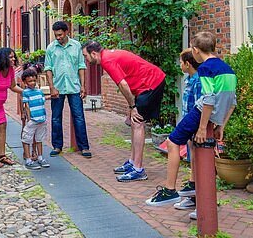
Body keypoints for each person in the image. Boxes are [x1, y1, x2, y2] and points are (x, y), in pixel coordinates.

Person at [145, 31, 237, 214]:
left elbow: (209, 98)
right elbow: (232, 102)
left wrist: (203, 127)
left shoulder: (205, 68)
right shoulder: (228, 69)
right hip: (216, 116)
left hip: (201, 112)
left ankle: (169, 189)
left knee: (172, 142)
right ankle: (194, 185)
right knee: (194, 148)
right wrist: (221, 126)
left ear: (195, 50)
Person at [82, 41, 166, 181]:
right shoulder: (108, 56)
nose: (86, 60)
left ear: (94, 54)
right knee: (134, 123)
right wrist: (130, 107)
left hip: (151, 83)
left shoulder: (107, 60)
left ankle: (138, 169)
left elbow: (123, 84)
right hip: (145, 84)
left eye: (86, 56)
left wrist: (133, 106)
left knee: (138, 122)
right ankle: (132, 163)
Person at [45, 22, 92, 158]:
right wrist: (52, 87)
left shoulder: (76, 46)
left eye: (60, 34)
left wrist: (83, 86)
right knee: (55, 118)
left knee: (79, 117)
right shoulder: (51, 48)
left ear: (66, 32)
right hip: (58, 88)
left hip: (74, 86)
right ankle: (57, 146)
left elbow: (81, 66)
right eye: (56, 35)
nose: (58, 37)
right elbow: (48, 69)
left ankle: (84, 147)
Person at [173, 48, 202, 214]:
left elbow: (200, 106)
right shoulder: (190, 79)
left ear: (188, 64)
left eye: (181, 62)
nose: (180, 65)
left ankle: (203, 203)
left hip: (196, 128)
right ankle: (193, 198)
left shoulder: (198, 82)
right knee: (193, 162)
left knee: (199, 164)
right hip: (189, 128)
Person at [20, 67, 50, 170]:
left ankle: (40, 157)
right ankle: (28, 159)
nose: (32, 83)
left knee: (39, 139)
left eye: (34, 80)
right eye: (29, 81)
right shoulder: (25, 92)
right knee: (27, 138)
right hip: (32, 120)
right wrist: (28, 118)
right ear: (25, 82)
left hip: (41, 118)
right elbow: (26, 105)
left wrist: (52, 96)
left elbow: (42, 100)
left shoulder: (39, 91)